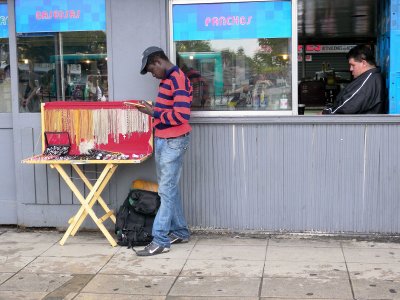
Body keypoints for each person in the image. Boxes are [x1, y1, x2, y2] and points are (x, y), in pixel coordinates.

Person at [135, 46, 192, 256]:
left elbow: (181, 116)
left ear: (159, 61)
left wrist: (152, 111)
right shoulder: (168, 80)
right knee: (169, 189)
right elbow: (169, 111)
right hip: (165, 140)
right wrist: (154, 111)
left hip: (173, 141)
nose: (152, 74)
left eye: (152, 70)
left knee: (166, 191)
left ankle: (160, 240)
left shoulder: (177, 79)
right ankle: (180, 231)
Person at [322, 45, 386, 114]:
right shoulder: (368, 77)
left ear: (363, 63)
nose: (351, 69)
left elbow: (348, 107)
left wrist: (327, 113)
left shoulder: (368, 80)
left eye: (353, 65)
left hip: (359, 124)